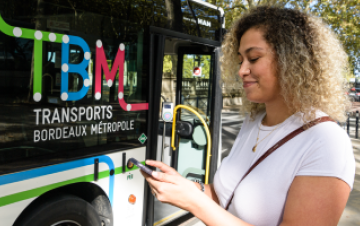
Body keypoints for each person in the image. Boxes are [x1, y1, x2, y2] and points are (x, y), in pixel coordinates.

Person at [142, 6, 355, 226]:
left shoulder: (326, 142)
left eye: (253, 58)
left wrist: (196, 203)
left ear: (292, 61)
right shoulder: (253, 121)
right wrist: (186, 188)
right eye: (240, 60)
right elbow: (225, 197)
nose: (241, 70)